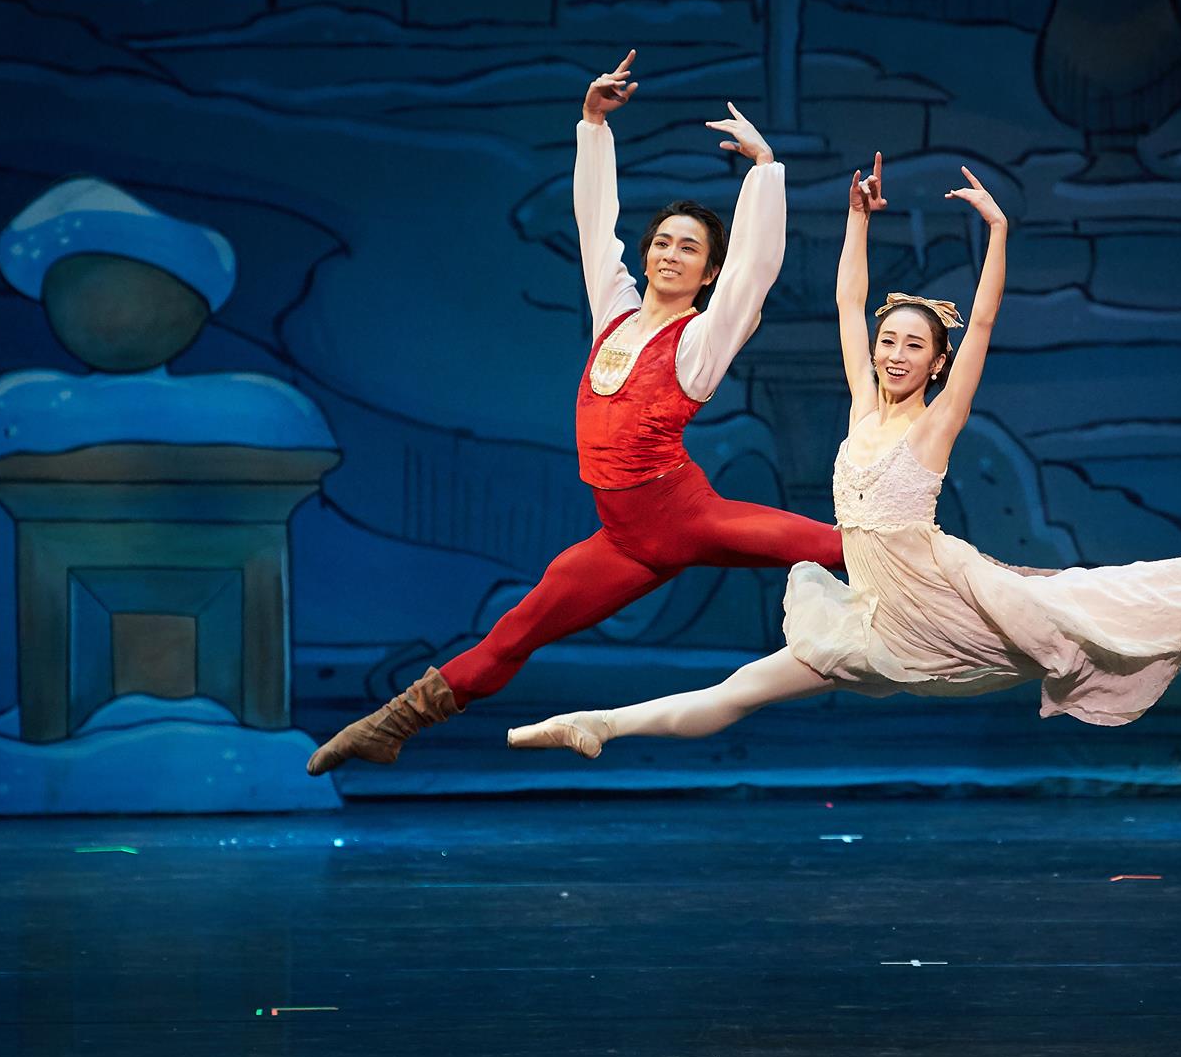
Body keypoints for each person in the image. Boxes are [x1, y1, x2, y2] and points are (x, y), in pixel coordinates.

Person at [507, 153, 1181, 759]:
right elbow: (847, 301)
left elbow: (983, 323)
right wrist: (854, 218)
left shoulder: (935, 424)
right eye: (888, 340)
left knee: (1102, 607)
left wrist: (996, 233)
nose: (892, 352)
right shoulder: (858, 405)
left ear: (934, 362)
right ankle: (602, 723)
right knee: (739, 690)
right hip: (870, 619)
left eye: (911, 344)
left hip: (949, 599)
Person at [307, 51, 846, 775]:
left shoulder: (702, 339)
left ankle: (1002, 593)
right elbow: (598, 228)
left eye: (689, 249)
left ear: (707, 272)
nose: (669, 255)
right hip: (624, 541)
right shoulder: (615, 314)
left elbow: (754, 273)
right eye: (663, 243)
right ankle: (395, 721)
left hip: (686, 516)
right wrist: (593, 125)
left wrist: (765, 170)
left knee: (849, 547)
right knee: (515, 632)